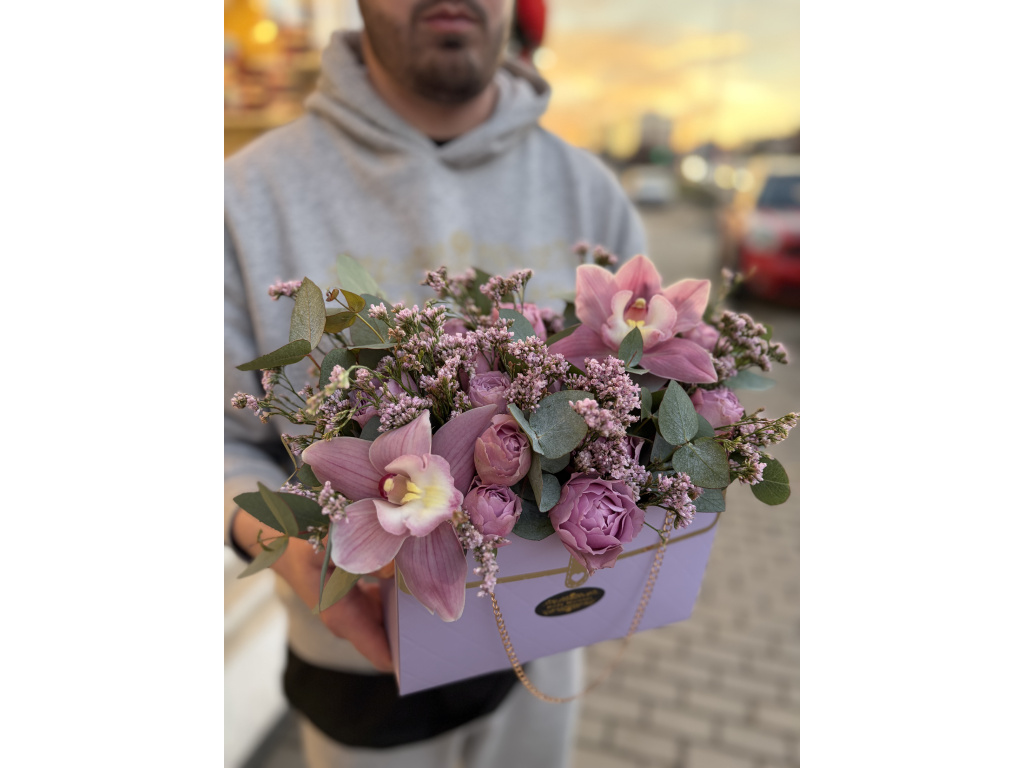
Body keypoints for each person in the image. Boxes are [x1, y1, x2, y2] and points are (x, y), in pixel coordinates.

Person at [225, 1, 647, 765]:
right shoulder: (243, 200)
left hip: (542, 648)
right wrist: (287, 544)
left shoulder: (590, 193)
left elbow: (645, 405)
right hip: (356, 675)